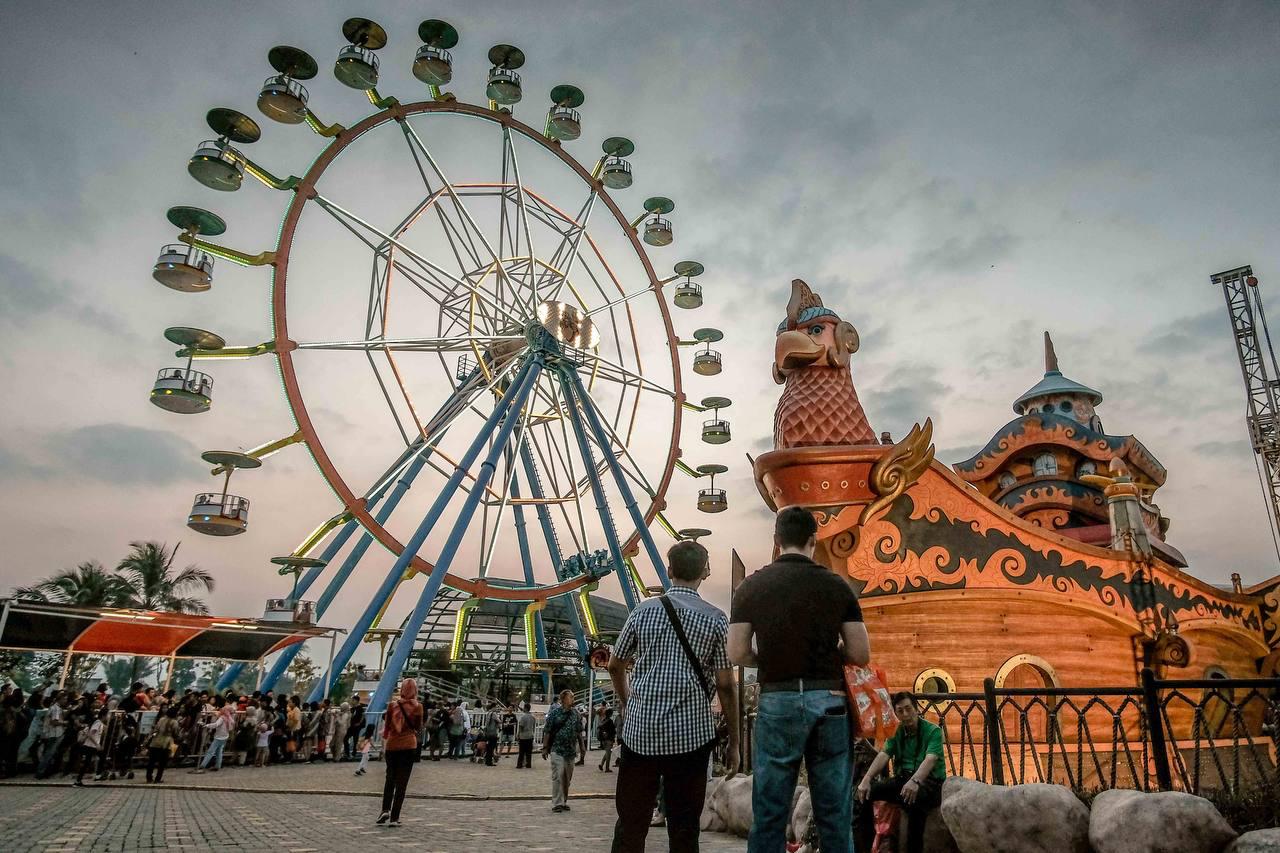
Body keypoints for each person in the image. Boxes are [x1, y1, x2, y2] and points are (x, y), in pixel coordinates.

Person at [728, 506, 869, 853]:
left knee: (770, 811)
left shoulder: (752, 587)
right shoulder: (837, 586)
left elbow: (736, 652)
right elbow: (860, 652)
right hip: (830, 701)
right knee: (835, 812)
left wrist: (765, 660)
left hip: (778, 697)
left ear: (776, 540)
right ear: (813, 539)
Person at [606, 540, 740, 853]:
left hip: (641, 734)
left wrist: (631, 704)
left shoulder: (643, 611)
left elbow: (615, 665)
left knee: (631, 823)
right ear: (705, 571)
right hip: (691, 736)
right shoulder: (716, 619)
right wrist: (733, 741)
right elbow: (725, 684)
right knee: (684, 829)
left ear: (668, 570)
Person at [856, 692, 946, 853]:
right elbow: (884, 754)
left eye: (908, 709)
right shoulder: (897, 731)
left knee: (913, 803)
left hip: (930, 782)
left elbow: (930, 759)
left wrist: (915, 781)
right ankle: (864, 848)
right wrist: (867, 779)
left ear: (916, 709)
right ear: (896, 713)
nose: (905, 715)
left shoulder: (933, 731)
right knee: (866, 795)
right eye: (900, 711)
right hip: (903, 779)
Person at [378, 679, 423, 827]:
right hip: (408, 745)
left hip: (392, 745)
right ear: (415, 690)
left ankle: (385, 809)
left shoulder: (392, 705)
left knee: (390, 778)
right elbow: (418, 727)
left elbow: (387, 727)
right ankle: (394, 817)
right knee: (402, 782)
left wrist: (385, 741)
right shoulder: (418, 707)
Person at [541, 689, 582, 813]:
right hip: (557, 749)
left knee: (567, 778)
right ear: (563, 699)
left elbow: (579, 731)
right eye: (571, 697)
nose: (573, 699)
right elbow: (547, 731)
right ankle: (557, 803)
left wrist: (582, 747)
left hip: (570, 750)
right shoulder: (555, 714)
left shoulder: (576, 714)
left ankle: (564, 801)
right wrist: (545, 747)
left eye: (573, 697)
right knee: (558, 775)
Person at [192, 696, 233, 773]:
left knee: (210, 751)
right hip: (225, 736)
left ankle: (202, 766)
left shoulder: (222, 718)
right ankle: (217, 765)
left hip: (219, 737)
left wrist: (206, 725)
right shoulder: (229, 718)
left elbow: (216, 725)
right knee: (219, 751)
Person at [73, 708, 108, 786]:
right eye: (107, 715)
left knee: (101, 757)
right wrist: (97, 744)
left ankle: (97, 776)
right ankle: (79, 780)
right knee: (87, 763)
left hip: (93, 746)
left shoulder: (100, 724)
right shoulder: (98, 723)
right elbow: (90, 734)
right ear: (103, 715)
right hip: (90, 746)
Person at [146, 707, 179, 783]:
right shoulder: (174, 722)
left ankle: (149, 777)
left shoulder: (161, 719)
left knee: (151, 761)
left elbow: (156, 728)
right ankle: (158, 778)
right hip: (166, 743)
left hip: (155, 741)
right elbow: (176, 733)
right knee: (162, 762)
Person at [516, 702, 536, 769]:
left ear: (525, 708)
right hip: (530, 735)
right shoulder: (533, 717)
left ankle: (520, 764)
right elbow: (533, 727)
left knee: (521, 751)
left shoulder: (523, 717)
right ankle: (528, 764)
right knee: (529, 752)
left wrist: (518, 734)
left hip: (523, 736)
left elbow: (521, 726)